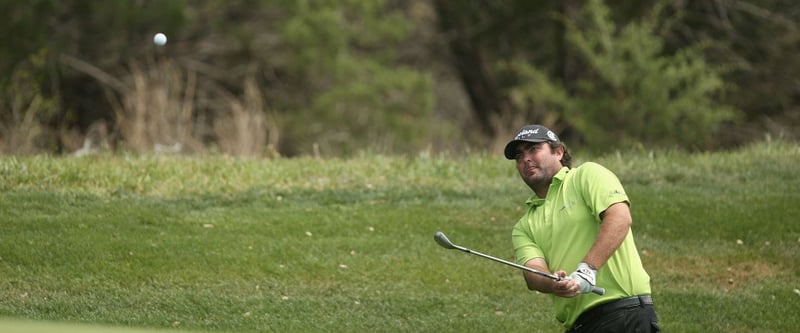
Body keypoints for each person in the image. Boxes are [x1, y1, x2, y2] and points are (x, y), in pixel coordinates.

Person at [504, 124, 660, 332]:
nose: (526, 159)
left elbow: (620, 217)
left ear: (559, 152)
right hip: (580, 325)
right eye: (519, 155)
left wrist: (587, 269)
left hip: (624, 314)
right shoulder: (524, 226)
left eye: (533, 149)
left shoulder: (586, 176)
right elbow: (533, 272)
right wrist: (553, 283)